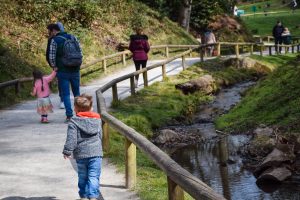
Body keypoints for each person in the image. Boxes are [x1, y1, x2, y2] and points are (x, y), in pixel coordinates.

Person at [62, 94, 103, 200]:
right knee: (94, 176)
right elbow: (100, 136)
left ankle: (83, 196)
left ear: (75, 109)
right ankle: (93, 196)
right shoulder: (97, 120)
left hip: (81, 154)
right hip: (96, 153)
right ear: (91, 108)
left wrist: (67, 151)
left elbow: (71, 138)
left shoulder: (74, 121)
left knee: (82, 176)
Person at [47, 23, 82, 122]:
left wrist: (54, 66)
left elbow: (51, 56)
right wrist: (78, 64)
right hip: (75, 69)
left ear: (54, 30)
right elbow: (80, 52)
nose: (50, 34)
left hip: (62, 71)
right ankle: (79, 114)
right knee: (77, 93)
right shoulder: (72, 37)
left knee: (66, 94)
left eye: (50, 31)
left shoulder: (54, 40)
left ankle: (69, 115)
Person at [46, 22, 65, 109]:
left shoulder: (52, 40)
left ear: (53, 30)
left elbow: (49, 54)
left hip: (58, 65)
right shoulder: (67, 37)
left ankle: (62, 100)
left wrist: (52, 65)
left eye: (49, 31)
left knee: (61, 82)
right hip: (69, 64)